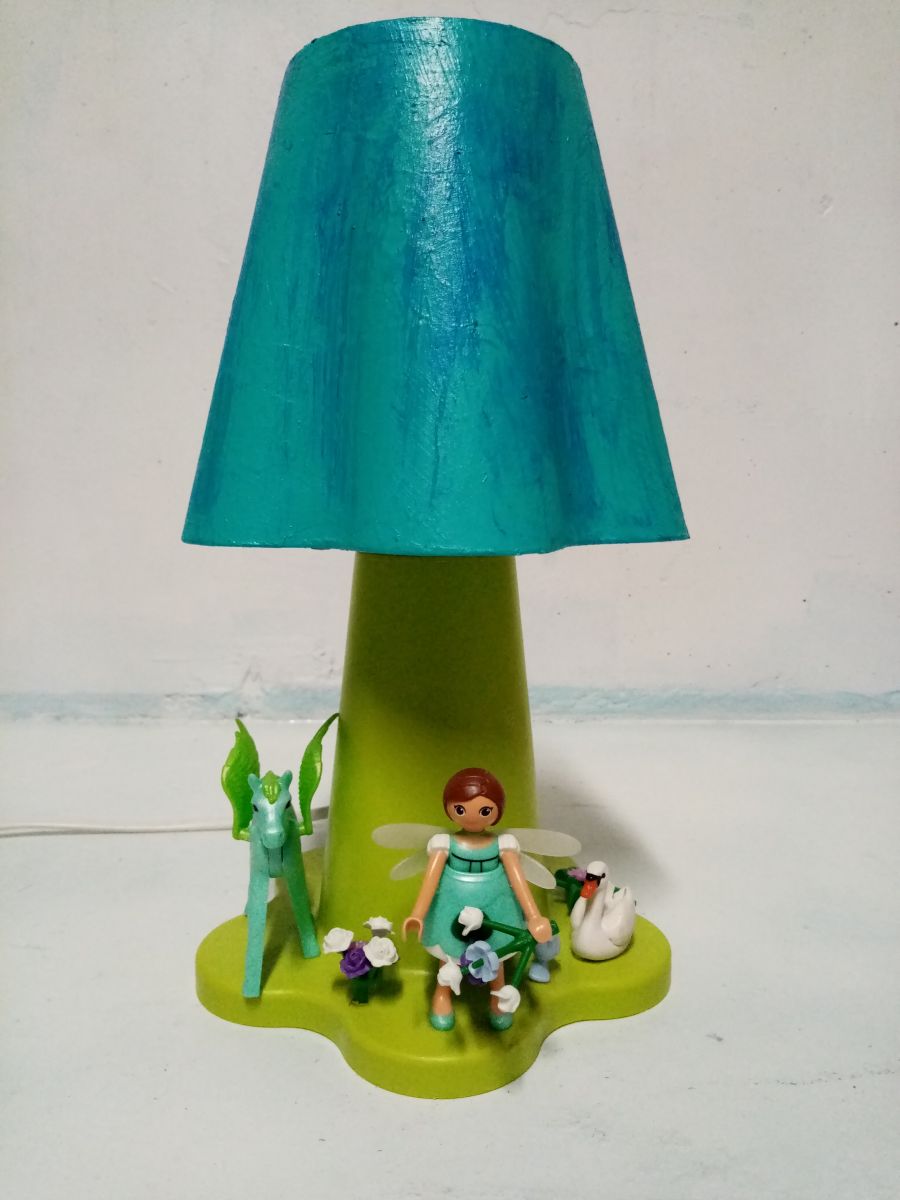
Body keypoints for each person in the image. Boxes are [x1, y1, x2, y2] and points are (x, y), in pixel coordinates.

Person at [402, 767, 552, 1030]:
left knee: (497, 955)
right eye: (461, 809)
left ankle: (498, 998)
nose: (471, 817)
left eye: (484, 811)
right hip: (452, 903)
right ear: (449, 808)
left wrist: (534, 916)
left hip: (495, 903)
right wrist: (418, 913)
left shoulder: (503, 844)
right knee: (448, 954)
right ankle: (442, 994)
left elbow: (518, 880)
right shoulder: (444, 844)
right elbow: (430, 880)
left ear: (497, 812)